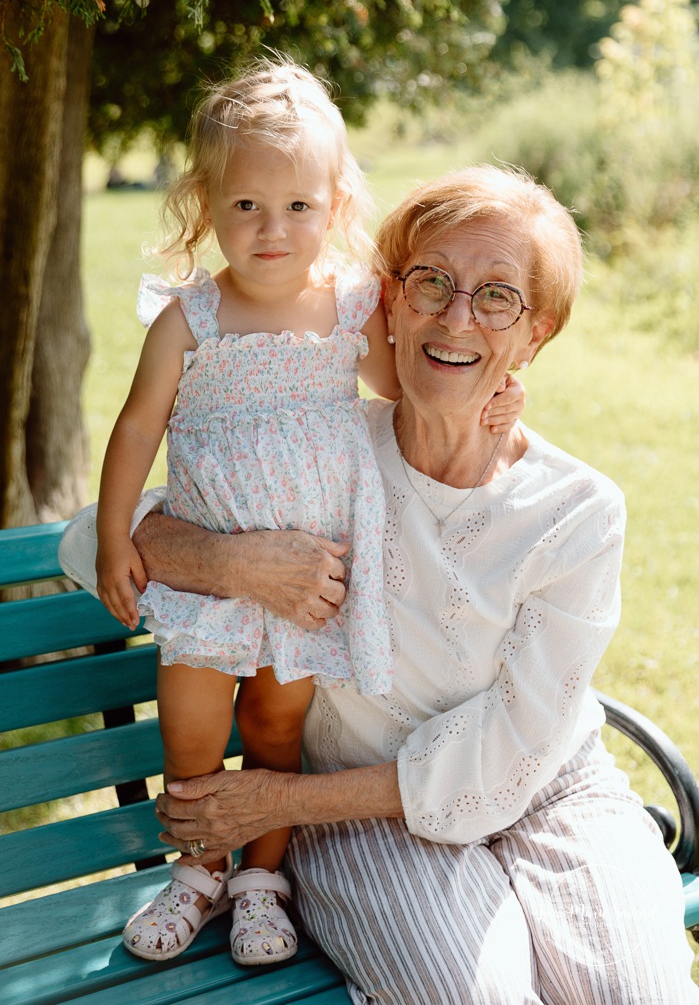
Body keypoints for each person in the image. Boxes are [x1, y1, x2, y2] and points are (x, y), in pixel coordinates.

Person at [66, 162, 699, 1004]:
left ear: (534, 333)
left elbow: (513, 744)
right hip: (356, 814)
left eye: (497, 296)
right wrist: (233, 562)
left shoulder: (578, 510)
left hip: (548, 795)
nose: (456, 316)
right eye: (430, 281)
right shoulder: (320, 449)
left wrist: (274, 797)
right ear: (386, 303)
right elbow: (84, 542)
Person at [80, 59, 526, 970]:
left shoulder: (348, 308)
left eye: (297, 207)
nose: (271, 229)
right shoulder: (190, 320)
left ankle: (260, 884)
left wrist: (488, 403)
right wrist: (117, 533)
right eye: (245, 206)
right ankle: (199, 870)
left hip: (305, 586)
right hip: (208, 593)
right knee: (195, 734)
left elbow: (409, 388)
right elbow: (135, 428)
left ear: (334, 205)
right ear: (207, 203)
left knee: (278, 732)